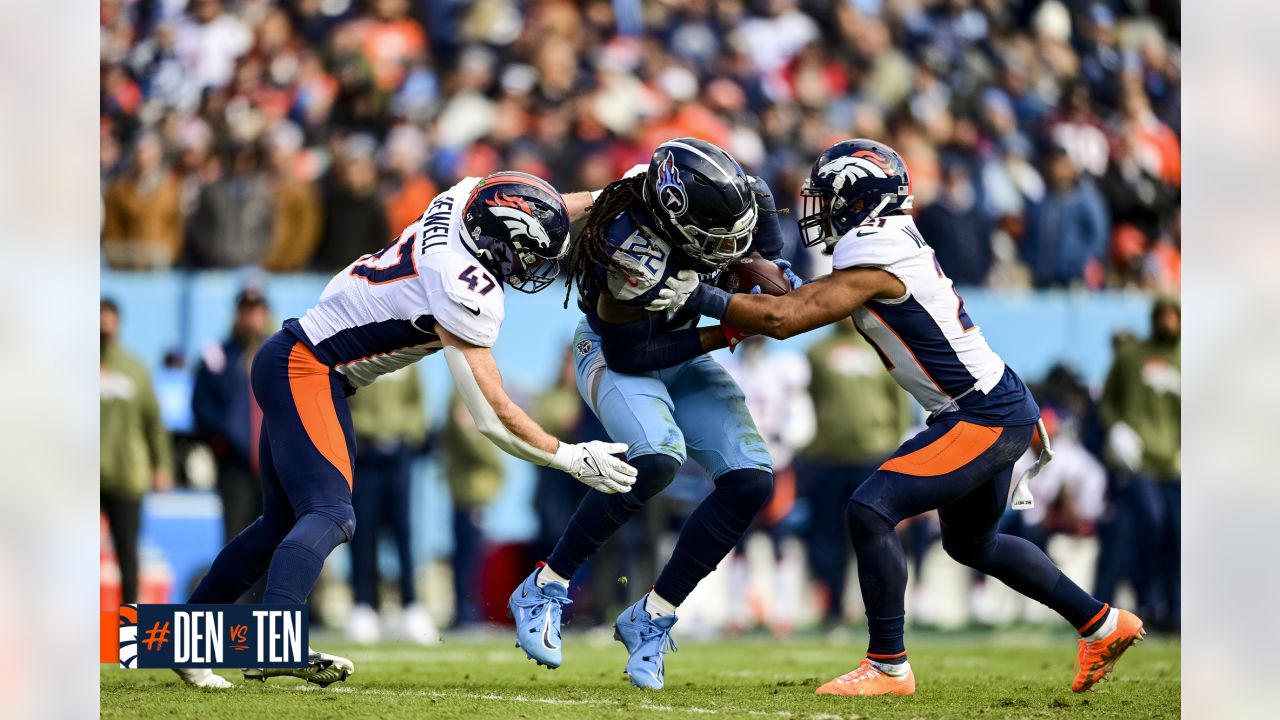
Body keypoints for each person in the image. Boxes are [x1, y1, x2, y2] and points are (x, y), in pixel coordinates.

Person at [649, 139, 1144, 696]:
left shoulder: (872, 245)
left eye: (828, 198)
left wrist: (700, 297)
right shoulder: (883, 239)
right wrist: (752, 271)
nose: (820, 210)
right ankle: (1102, 624)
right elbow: (801, 298)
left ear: (859, 200)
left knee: (870, 509)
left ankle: (888, 665)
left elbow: (787, 318)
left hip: (982, 414)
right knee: (971, 544)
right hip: (991, 405)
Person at [172, 171, 637, 690]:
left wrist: (607, 196)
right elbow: (490, 414)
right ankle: (274, 641)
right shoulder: (463, 287)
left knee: (279, 527)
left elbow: (539, 205)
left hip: (298, 359)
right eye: (525, 253)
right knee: (330, 512)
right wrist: (568, 457)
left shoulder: (464, 197)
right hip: (307, 368)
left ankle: (184, 642)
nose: (531, 265)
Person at [507, 138, 799, 689]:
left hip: (683, 339)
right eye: (719, 239)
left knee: (751, 483)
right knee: (657, 459)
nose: (732, 246)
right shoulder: (627, 247)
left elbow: (761, 216)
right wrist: (721, 318)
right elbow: (632, 354)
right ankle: (545, 583)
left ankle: (653, 615)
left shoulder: (716, 192)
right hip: (621, 352)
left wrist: (770, 269)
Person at [799, 320, 912, 628]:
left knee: (873, 538)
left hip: (873, 457)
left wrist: (896, 449)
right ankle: (832, 609)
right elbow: (807, 402)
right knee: (826, 538)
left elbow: (899, 402)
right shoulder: (816, 352)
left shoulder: (882, 350)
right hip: (827, 458)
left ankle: (881, 613)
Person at [1097, 296, 1180, 632]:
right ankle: (1149, 599)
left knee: (1177, 534)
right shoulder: (1132, 357)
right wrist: (1116, 427)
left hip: (1175, 461)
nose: (1169, 322)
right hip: (1139, 460)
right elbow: (1107, 401)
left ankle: (1173, 610)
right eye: (1164, 315)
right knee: (1151, 522)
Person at [345, 365, 436, 645]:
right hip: (366, 457)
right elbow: (346, 404)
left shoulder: (409, 358)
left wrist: (406, 436)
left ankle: (411, 605)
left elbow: (417, 404)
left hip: (399, 458)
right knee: (363, 532)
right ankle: (364, 605)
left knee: (403, 531)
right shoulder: (355, 354)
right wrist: (368, 433)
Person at [101, 299, 174, 606]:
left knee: (127, 552)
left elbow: (153, 422)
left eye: (109, 320)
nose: (103, 326)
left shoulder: (134, 369)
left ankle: (128, 625)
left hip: (125, 474)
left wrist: (162, 465)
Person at [192, 289, 272, 545]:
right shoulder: (219, 357)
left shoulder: (278, 356)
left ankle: (271, 587)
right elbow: (201, 406)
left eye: (256, 311)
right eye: (245, 311)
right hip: (234, 464)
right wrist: (225, 437)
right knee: (237, 537)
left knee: (274, 538)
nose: (251, 318)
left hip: (275, 464)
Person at [440, 392, 505, 628]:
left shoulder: (467, 394)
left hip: (474, 490)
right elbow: (472, 440)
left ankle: (466, 611)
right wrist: (498, 456)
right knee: (469, 556)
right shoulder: (463, 395)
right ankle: (466, 612)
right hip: (471, 490)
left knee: (470, 554)